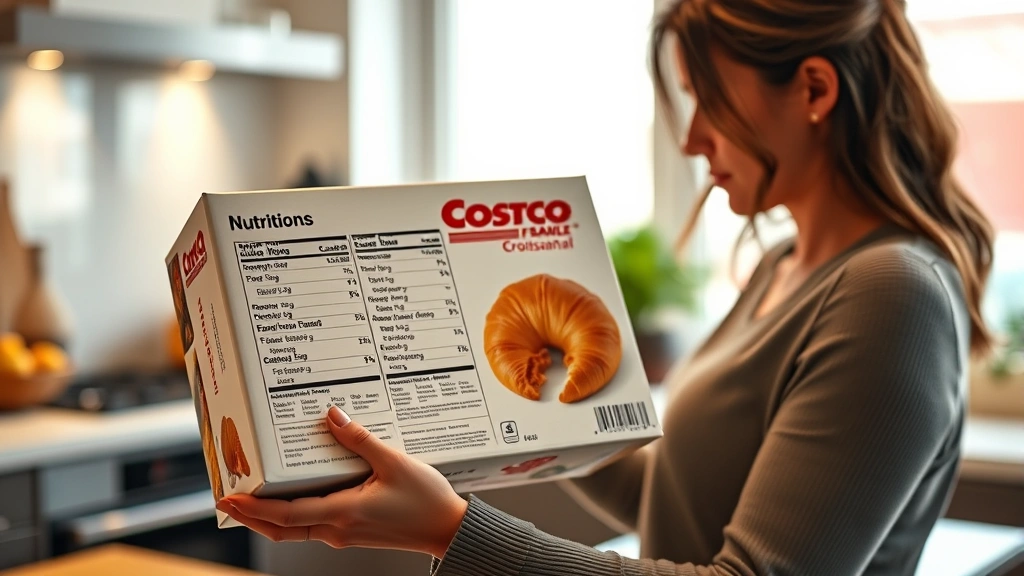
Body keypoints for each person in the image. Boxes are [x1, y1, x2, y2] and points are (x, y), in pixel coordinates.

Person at [216, 0, 995, 574]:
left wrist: (454, 530)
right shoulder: (784, 266)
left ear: (815, 90)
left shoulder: (893, 295)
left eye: (708, 103)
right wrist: (463, 420)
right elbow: (676, 493)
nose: (692, 141)